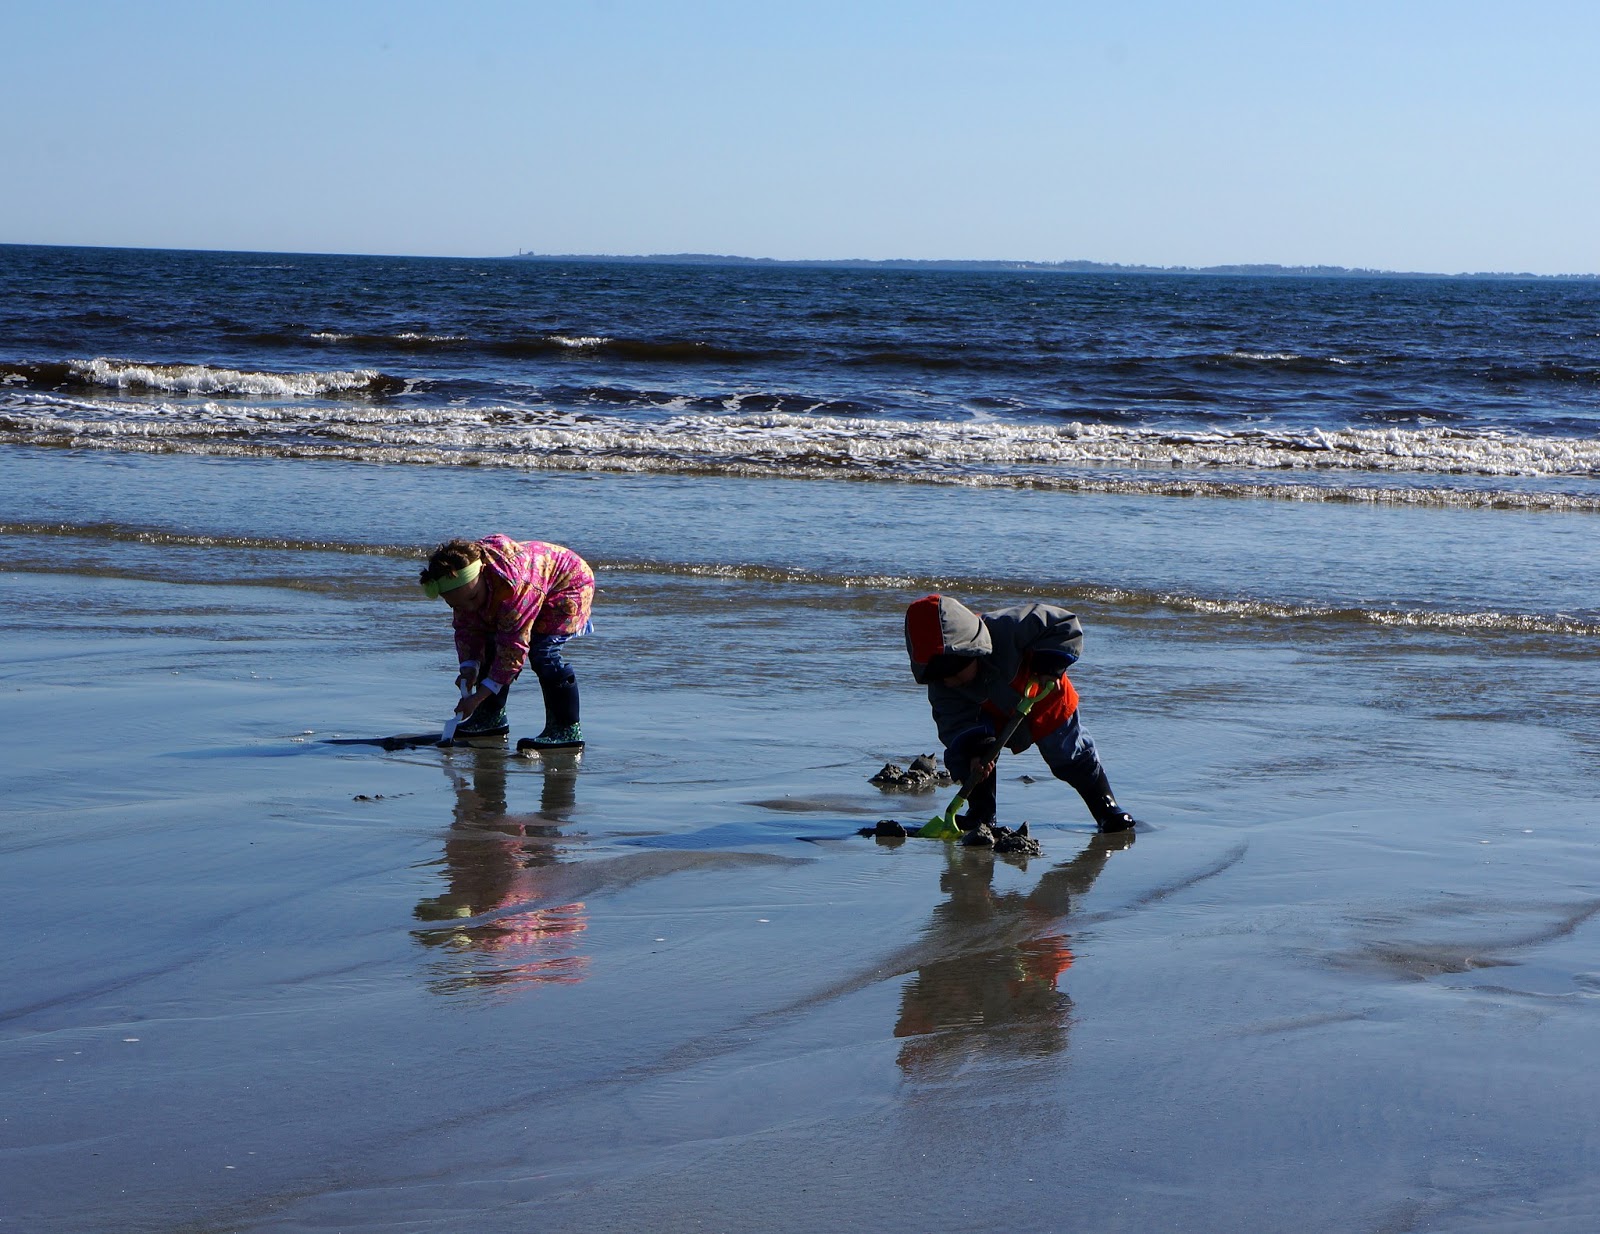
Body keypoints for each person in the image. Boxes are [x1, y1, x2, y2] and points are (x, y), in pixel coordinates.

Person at [904, 593, 1135, 832]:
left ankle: (1105, 808)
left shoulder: (1007, 628)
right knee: (976, 759)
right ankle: (981, 814)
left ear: (971, 651)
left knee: (1069, 756)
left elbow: (1062, 623)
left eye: (954, 673)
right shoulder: (943, 686)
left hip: (1045, 699)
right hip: (990, 715)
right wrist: (974, 750)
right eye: (941, 678)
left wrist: (1049, 664)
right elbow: (953, 722)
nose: (950, 681)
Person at [419, 534, 594, 748]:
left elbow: (513, 650)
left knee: (543, 652)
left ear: (483, 573)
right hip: (531, 585)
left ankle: (566, 729)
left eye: (473, 598)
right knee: (490, 642)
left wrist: (478, 697)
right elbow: (467, 629)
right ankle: (490, 718)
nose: (469, 608)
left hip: (568, 585)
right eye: (456, 605)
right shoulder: (467, 594)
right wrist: (469, 667)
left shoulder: (515, 589)